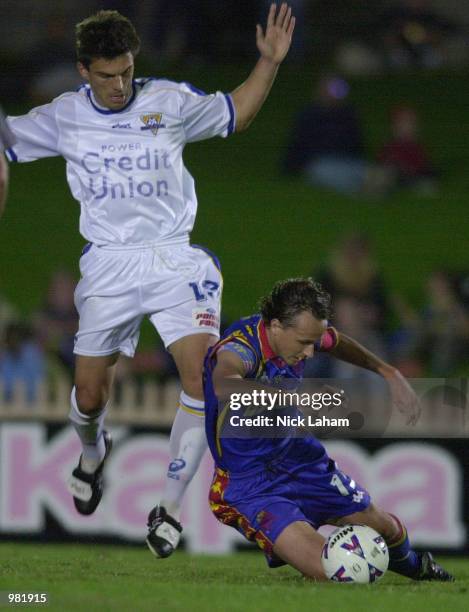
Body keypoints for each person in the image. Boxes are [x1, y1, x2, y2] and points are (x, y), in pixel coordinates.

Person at [3, 5, 296, 558]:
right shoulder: (64, 116)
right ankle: (92, 452)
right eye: (107, 74)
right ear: (83, 71)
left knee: (202, 377)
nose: (120, 85)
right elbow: (7, 136)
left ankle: (169, 508)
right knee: (89, 395)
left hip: (173, 260)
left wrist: (269, 62)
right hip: (109, 264)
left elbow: (237, 113)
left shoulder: (168, 102)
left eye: (127, 72)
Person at [203, 278, 454, 581]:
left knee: (382, 525)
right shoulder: (241, 349)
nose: (310, 353)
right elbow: (224, 383)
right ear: (276, 326)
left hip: (299, 457)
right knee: (331, 569)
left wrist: (388, 372)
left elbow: (336, 342)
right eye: (304, 343)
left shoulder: (297, 332)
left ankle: (418, 568)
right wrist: (289, 397)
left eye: (313, 342)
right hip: (251, 485)